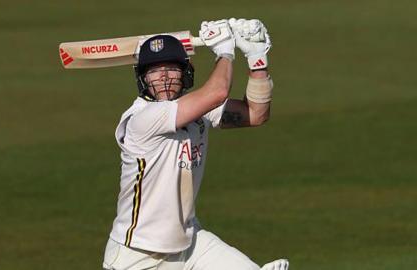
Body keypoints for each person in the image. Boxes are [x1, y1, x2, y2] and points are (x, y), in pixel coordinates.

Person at [102, 19, 289, 270]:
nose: (164, 77)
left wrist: (257, 59)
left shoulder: (197, 110)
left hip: (190, 244)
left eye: (172, 69)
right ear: (143, 78)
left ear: (185, 73)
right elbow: (217, 93)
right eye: (155, 71)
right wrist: (224, 52)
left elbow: (256, 114)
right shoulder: (142, 119)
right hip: (138, 255)